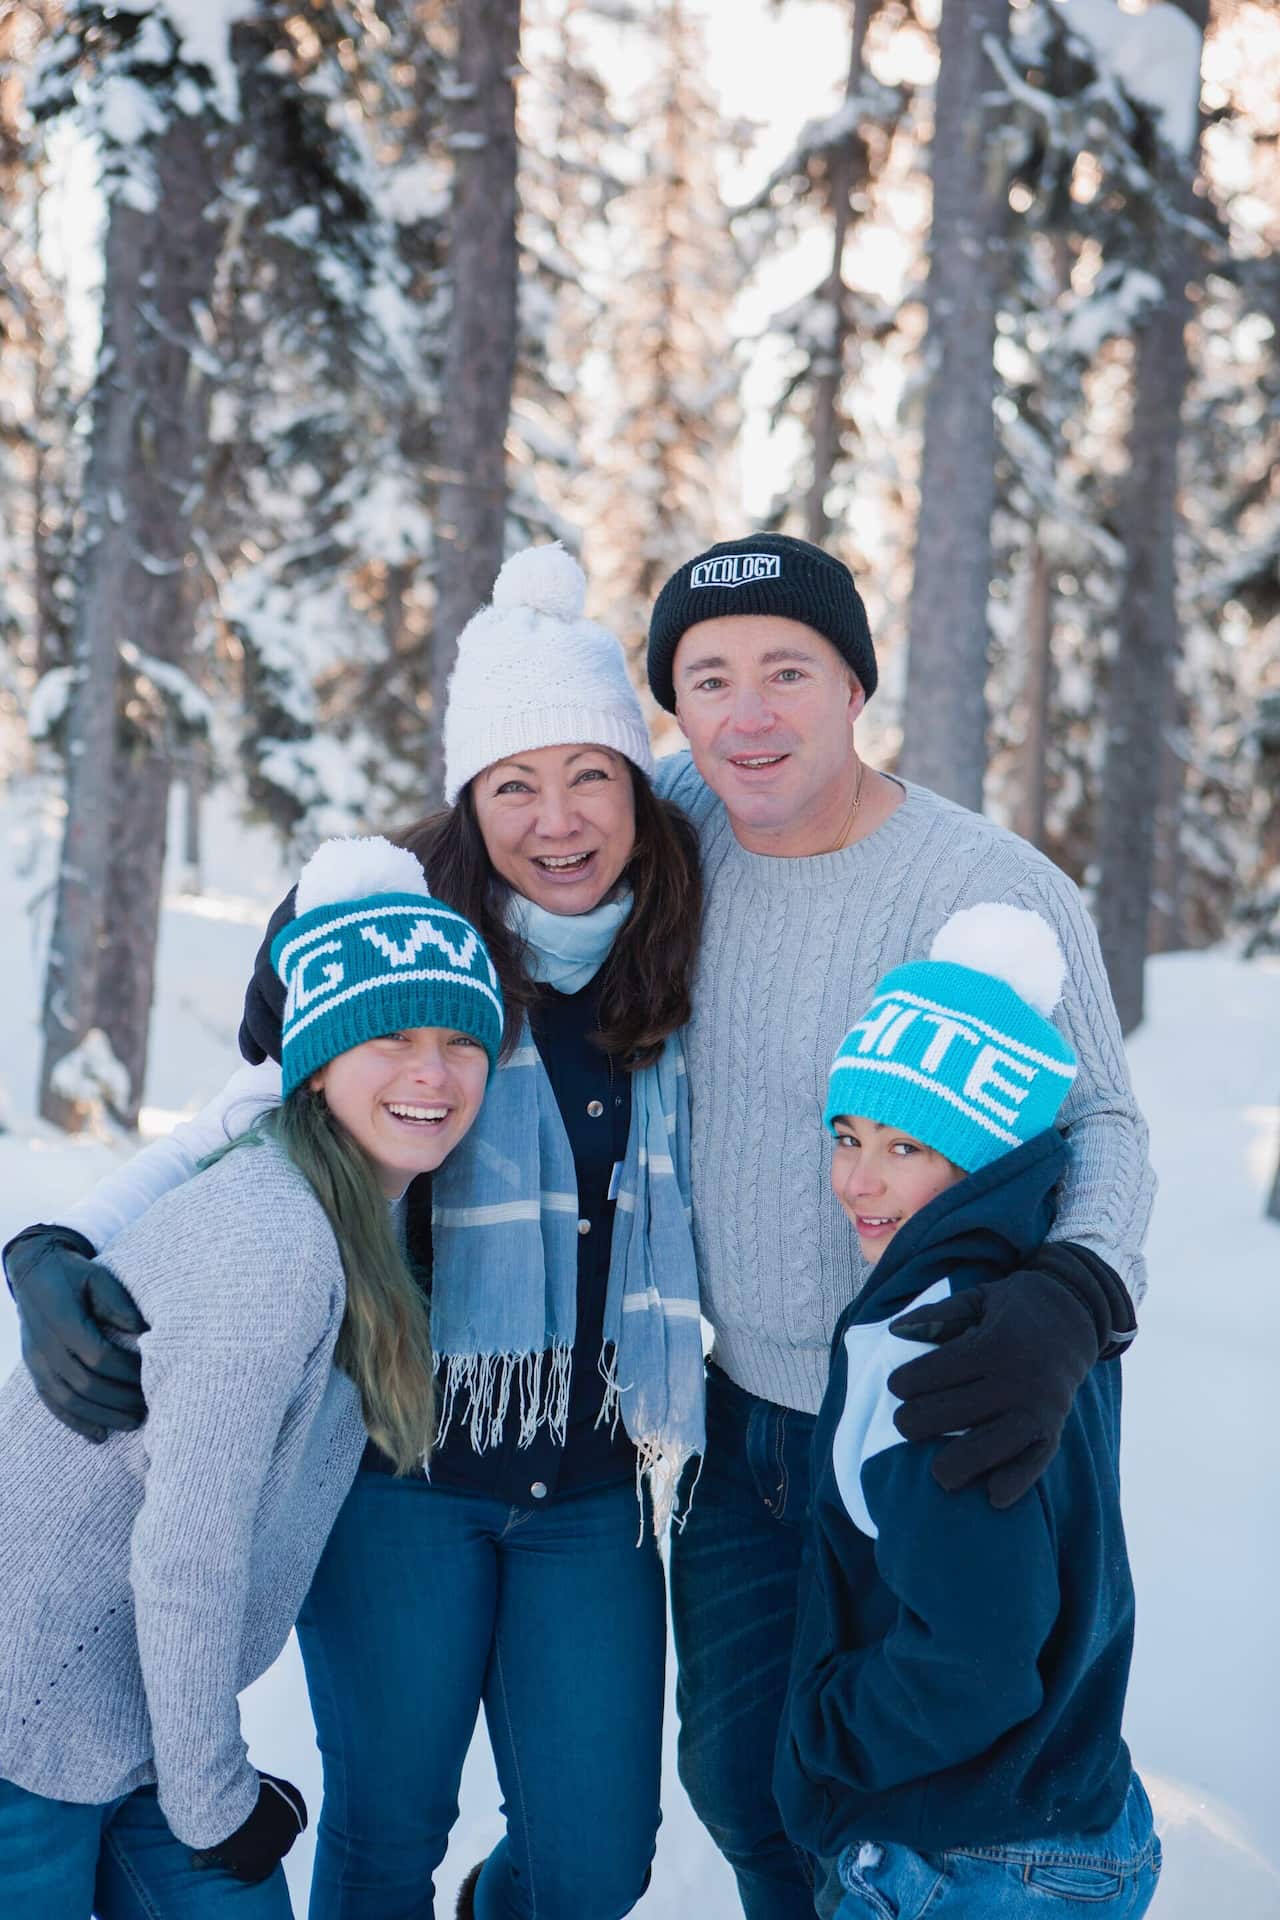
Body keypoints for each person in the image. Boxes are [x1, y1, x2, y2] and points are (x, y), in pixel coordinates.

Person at [3, 543, 702, 1920]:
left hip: (594, 1481)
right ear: (469, 797)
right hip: (402, 1468)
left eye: (591, 776)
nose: (557, 819)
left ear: (637, 785)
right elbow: (247, 1126)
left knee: (594, 1855)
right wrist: (53, 1248)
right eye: (515, 784)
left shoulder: (679, 945)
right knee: (384, 1834)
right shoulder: (392, 944)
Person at [641, 533, 1153, 1918]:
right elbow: (500, 837)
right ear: (675, 706)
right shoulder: (670, 821)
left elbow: (1106, 1124)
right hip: (744, 1426)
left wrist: (1073, 1296)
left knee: (926, 1802)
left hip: (936, 1420)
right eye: (710, 677)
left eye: (788, 670)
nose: (750, 713)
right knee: (749, 1791)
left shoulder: (982, 884)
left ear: (855, 683)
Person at [0, 836, 501, 1920]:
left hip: (139, 1716)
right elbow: (188, 1554)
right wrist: (217, 1801)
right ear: (313, 1061)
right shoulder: (273, 1240)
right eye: (391, 1036)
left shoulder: (368, 1204)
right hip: (20, 1722)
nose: (432, 1070)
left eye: (462, 1039)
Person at [773, 901, 1161, 1920]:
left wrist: (826, 1730)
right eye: (847, 1135)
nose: (858, 1178)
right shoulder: (1030, 1305)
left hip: (967, 1862)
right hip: (1067, 1815)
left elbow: (974, 1659)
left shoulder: (943, 1353)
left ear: (984, 1162)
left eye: (905, 1148)